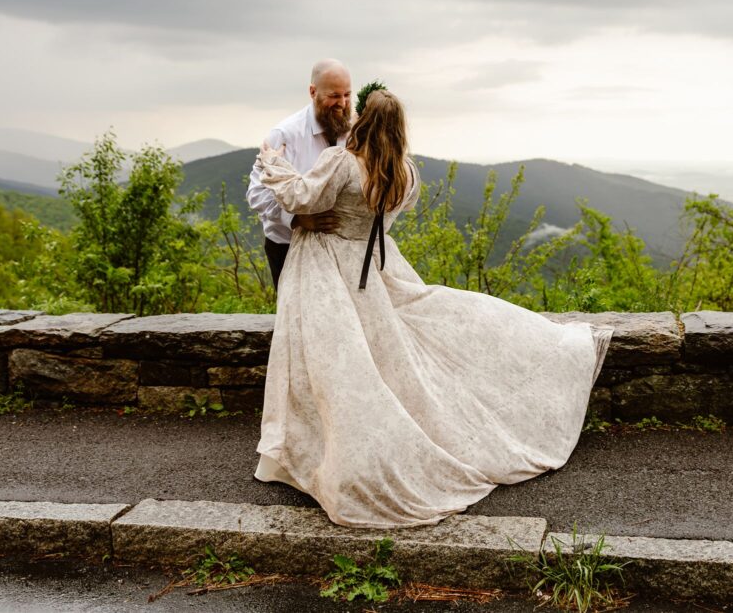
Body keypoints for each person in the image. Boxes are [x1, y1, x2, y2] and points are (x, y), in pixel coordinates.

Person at [252, 85, 612, 528]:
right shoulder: (405, 172)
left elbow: (300, 198)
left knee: (329, 364)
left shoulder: (341, 162)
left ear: (364, 120)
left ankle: (325, 450)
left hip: (328, 266)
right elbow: (381, 215)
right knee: (377, 357)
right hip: (376, 264)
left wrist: (271, 160)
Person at [246, 59, 354, 289]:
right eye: (334, 95)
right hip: (287, 246)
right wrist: (296, 220)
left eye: (347, 94)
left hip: (338, 249)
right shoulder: (285, 134)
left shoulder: (355, 130)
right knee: (294, 321)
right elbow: (256, 193)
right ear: (313, 91)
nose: (342, 103)